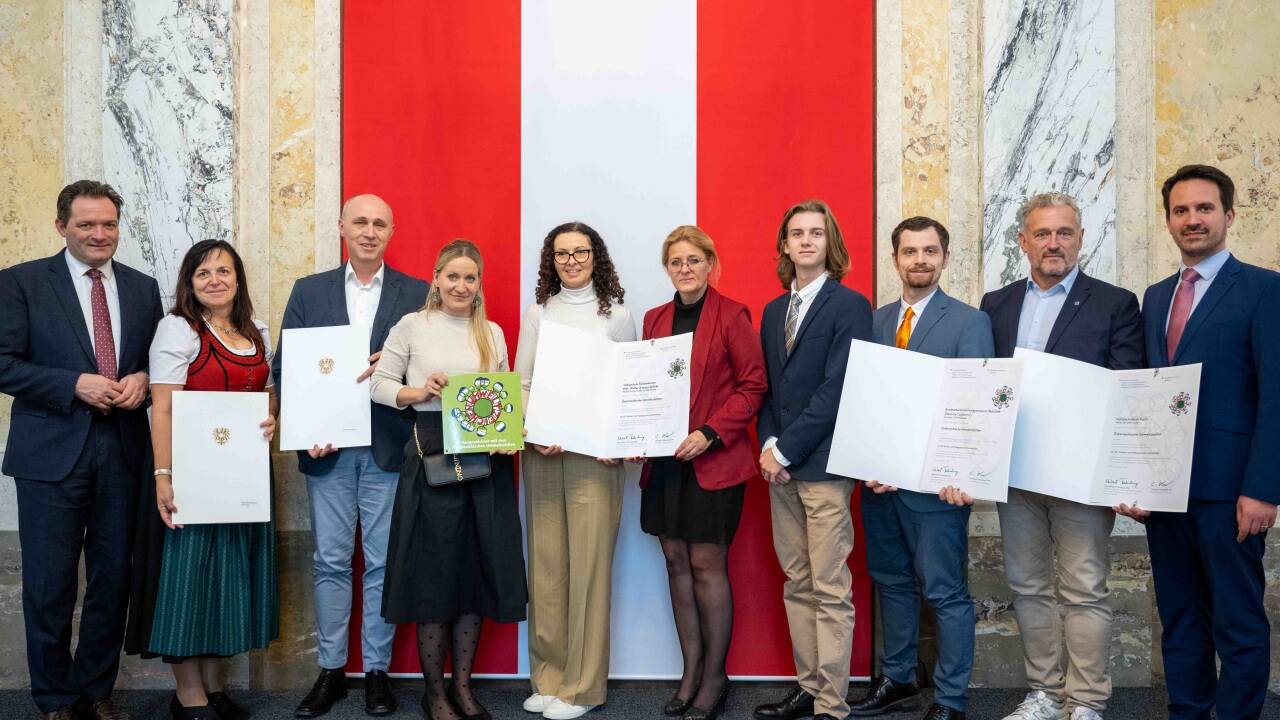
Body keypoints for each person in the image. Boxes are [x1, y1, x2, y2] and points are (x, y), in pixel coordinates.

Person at [1115, 164, 1279, 720]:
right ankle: (1187, 712)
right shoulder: (1157, 296)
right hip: (1166, 492)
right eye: (1181, 210)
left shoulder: (1264, 290)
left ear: (1229, 216)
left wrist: (1262, 489)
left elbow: (1276, 396)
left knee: (1236, 619)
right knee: (1180, 616)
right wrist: (1134, 479)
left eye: (1204, 208)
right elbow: (1146, 394)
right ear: (1168, 221)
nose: (1193, 219)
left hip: (1230, 491)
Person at [0, 180, 163, 720]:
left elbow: (155, 361)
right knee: (49, 585)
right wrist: (73, 383)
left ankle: (96, 690)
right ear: (61, 225)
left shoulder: (144, 288)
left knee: (113, 581)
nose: (99, 234)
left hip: (123, 451)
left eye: (109, 224)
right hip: (50, 455)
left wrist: (142, 377)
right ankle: (55, 698)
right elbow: (4, 363)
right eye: (87, 224)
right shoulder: (21, 283)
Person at [979, 193, 1143, 720]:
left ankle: (1087, 701)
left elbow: (1125, 388)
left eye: (1064, 233)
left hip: (1078, 474)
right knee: (1027, 586)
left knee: (1084, 589)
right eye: (1043, 234)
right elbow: (984, 386)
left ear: (1080, 238)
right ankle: (1046, 694)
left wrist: (1123, 472)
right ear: (1023, 241)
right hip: (1016, 471)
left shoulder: (1115, 303)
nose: (1054, 244)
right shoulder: (996, 303)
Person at [274, 194, 428, 718]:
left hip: (389, 447)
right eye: (359, 221)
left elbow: (430, 371)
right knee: (330, 562)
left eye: (379, 223)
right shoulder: (309, 291)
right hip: (329, 450)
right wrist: (303, 428)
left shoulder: (417, 293)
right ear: (341, 226)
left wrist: (401, 365)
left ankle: (378, 671)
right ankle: (333, 671)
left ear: (392, 230)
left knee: (384, 563)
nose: (368, 230)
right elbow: (285, 369)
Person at [370, 239, 527, 720]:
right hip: (431, 453)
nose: (461, 285)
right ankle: (433, 693)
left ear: (479, 285)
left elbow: (505, 395)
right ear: (436, 278)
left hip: (485, 461)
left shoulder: (493, 333)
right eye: (452, 275)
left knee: (475, 573)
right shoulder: (411, 326)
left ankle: (463, 688)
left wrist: (510, 435)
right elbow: (378, 385)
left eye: (470, 277)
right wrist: (419, 390)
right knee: (435, 577)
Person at [848, 217, 992, 720]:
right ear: (895, 260)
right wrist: (871, 459)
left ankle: (951, 699)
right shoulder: (874, 320)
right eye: (910, 251)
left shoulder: (969, 322)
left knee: (945, 592)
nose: (920, 261)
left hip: (937, 490)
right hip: (878, 485)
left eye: (930, 251)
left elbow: (969, 410)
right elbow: (864, 400)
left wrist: (917, 468)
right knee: (891, 582)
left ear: (945, 258)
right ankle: (900, 678)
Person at [631, 226, 768, 720]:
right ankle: (690, 671)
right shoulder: (654, 319)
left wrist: (710, 432)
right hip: (664, 465)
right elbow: (642, 388)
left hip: (713, 462)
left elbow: (753, 388)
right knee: (675, 563)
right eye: (676, 262)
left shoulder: (732, 315)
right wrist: (633, 435)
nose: (685, 269)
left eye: (694, 260)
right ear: (667, 268)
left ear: (710, 264)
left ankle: (715, 678)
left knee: (708, 567)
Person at [142, 239, 280, 720]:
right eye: (203, 274)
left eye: (224, 270)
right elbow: (161, 406)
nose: (215, 280)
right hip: (192, 472)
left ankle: (215, 687)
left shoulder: (255, 330)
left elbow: (266, 395)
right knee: (189, 578)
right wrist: (164, 476)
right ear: (190, 283)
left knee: (227, 578)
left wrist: (272, 416)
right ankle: (188, 696)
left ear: (238, 278)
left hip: (242, 475)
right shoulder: (177, 329)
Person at [753, 200, 873, 720]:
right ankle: (807, 688)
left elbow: (839, 388)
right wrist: (766, 447)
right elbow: (768, 391)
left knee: (829, 588)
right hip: (779, 471)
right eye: (796, 233)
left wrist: (786, 447)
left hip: (823, 469)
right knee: (797, 583)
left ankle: (832, 704)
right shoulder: (774, 310)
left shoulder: (850, 305)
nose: (805, 241)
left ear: (830, 243)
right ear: (784, 244)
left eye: (816, 233)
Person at [515, 221, 636, 720]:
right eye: (562, 254)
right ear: (551, 260)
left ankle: (582, 688)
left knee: (587, 570)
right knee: (545, 569)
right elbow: (522, 382)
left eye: (580, 252)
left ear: (595, 256)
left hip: (595, 458)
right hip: (543, 452)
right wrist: (533, 431)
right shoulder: (539, 311)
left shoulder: (618, 316)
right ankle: (548, 677)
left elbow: (628, 386)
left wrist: (615, 441)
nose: (571, 261)